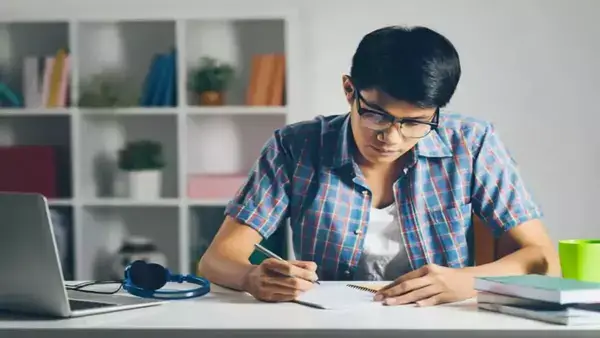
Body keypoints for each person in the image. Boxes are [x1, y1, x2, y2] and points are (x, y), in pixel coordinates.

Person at [197, 25, 560, 307]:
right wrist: (251, 278)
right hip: (329, 323)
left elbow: (541, 257)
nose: (392, 137)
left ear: (437, 111)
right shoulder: (296, 147)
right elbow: (217, 259)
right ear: (349, 90)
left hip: (442, 323)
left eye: (415, 122)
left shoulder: (472, 143)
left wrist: (467, 280)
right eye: (376, 115)